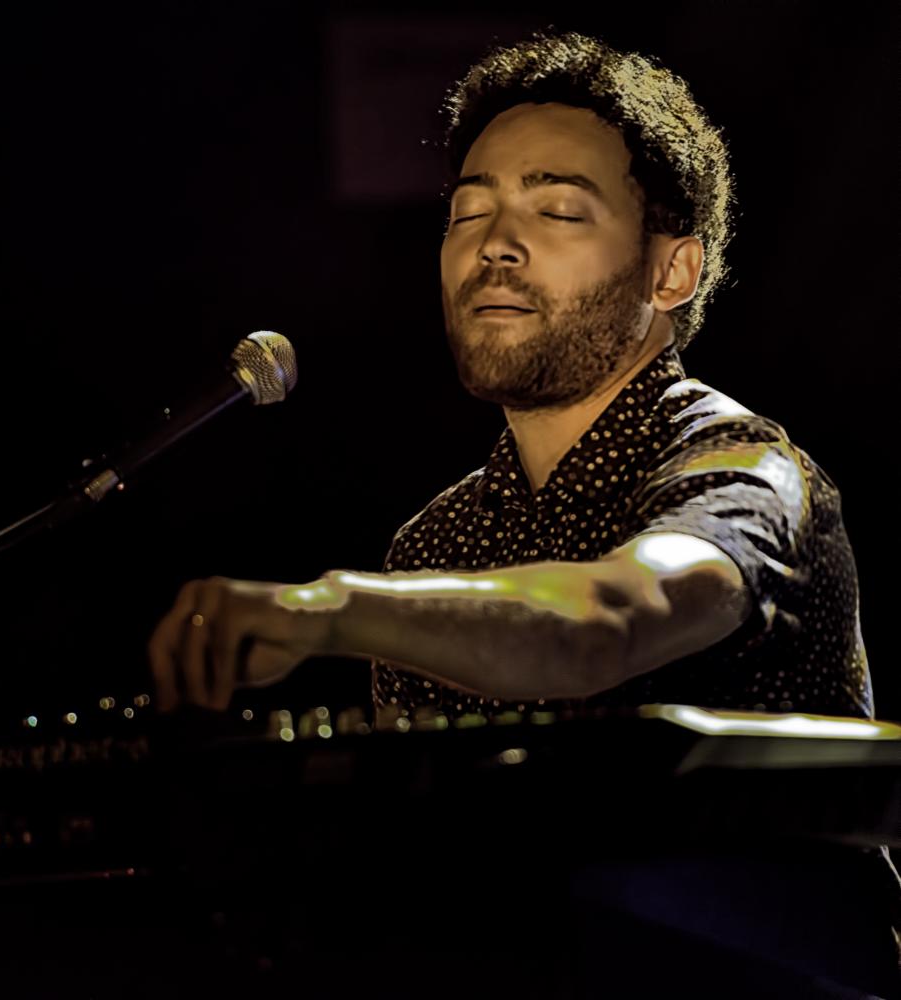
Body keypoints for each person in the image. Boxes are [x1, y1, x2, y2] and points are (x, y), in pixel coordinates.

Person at [146, 32, 899, 995]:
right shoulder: (435, 544)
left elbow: (611, 619)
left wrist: (329, 609)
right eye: (468, 211)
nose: (494, 243)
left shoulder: (747, 469)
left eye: (555, 209)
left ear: (672, 273)